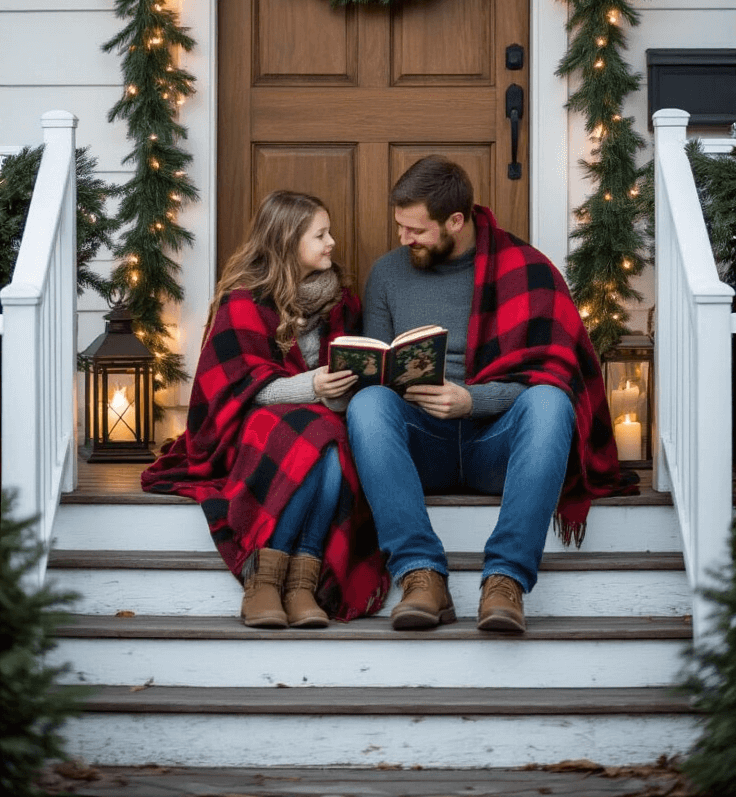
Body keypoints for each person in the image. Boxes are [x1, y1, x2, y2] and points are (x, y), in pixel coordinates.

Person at [346, 156, 637, 636]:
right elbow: (378, 364)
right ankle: (421, 575)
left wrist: (472, 401)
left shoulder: (528, 270)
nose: (403, 240)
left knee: (550, 403)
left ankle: (505, 581)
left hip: (496, 446)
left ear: (455, 221)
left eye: (415, 230)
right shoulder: (387, 274)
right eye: (400, 227)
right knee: (367, 405)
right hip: (423, 444)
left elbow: (555, 373)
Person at [141, 191, 388, 628]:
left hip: (323, 425)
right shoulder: (244, 303)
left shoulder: (341, 303)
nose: (332, 242)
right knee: (315, 435)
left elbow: (351, 375)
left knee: (328, 442)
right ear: (288, 241)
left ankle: (300, 583)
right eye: (320, 234)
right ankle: (266, 580)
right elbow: (236, 391)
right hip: (252, 429)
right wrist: (311, 386)